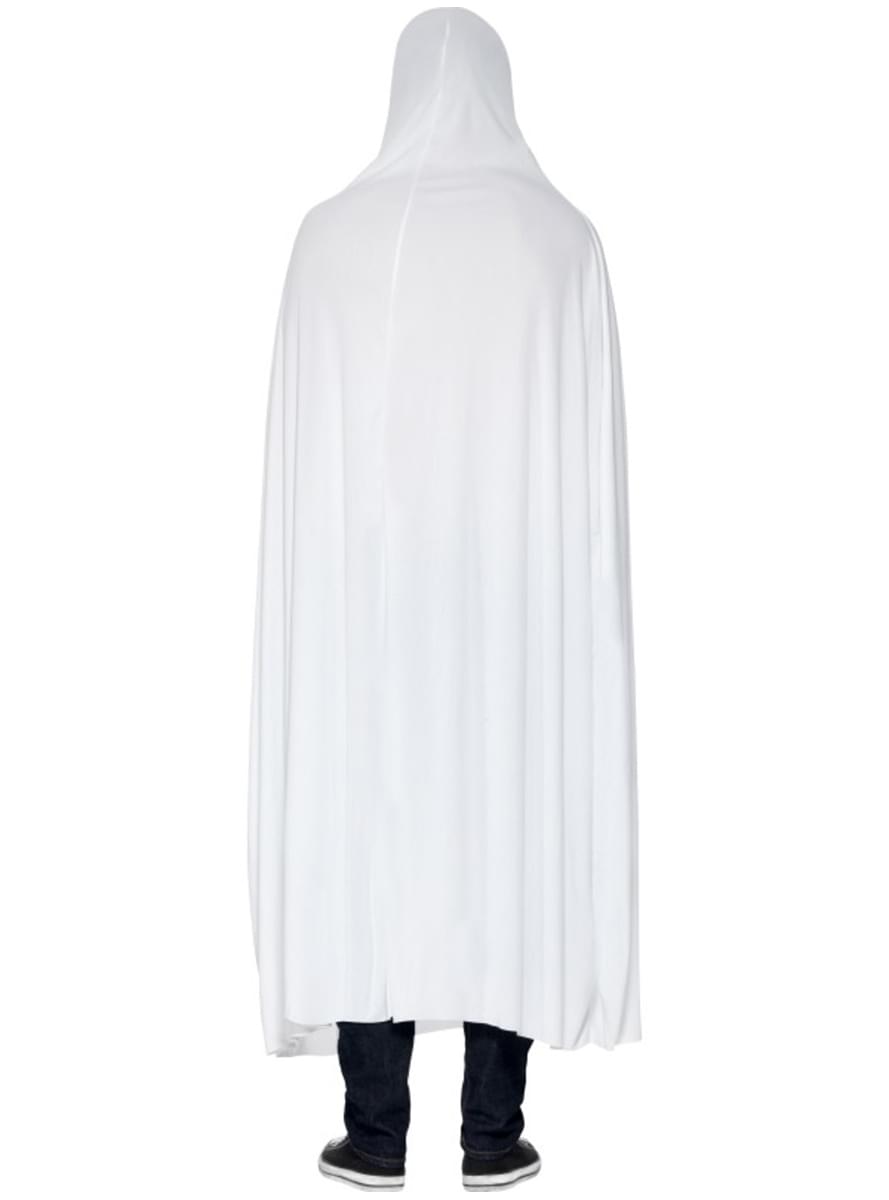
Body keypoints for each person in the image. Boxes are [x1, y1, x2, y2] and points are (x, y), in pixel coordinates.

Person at [248, 7, 640, 1192]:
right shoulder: (561, 240)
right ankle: (491, 1132)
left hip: (367, 608)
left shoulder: (330, 238)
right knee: (504, 825)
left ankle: (373, 1135)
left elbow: (309, 455)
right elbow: (585, 474)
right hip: (513, 605)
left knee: (369, 830)